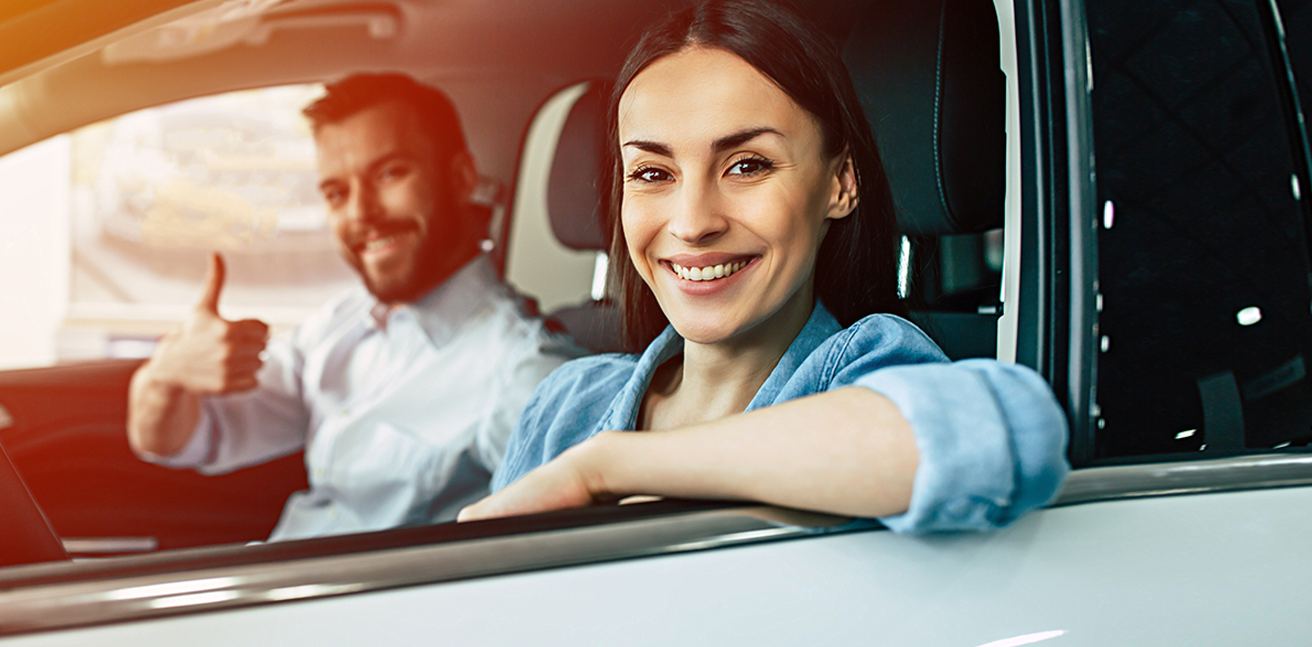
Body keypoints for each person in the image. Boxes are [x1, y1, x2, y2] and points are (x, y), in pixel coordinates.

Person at [458, 0, 1069, 532]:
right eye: (652, 173)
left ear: (841, 183)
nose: (693, 221)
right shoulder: (566, 403)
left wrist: (607, 467)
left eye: (747, 165)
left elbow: (993, 435)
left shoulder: (862, 368)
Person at [128, 73, 579, 542]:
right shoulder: (336, 327)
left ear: (461, 178)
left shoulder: (523, 369)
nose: (361, 214)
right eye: (337, 194)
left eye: (389, 174)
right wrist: (164, 378)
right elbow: (177, 441)